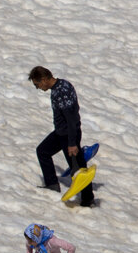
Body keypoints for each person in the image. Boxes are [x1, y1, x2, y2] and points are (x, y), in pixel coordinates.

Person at [29, 66, 96, 207]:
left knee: (79, 169)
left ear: (44, 79)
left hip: (68, 134)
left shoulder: (61, 92)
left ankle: (88, 199)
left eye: (37, 84)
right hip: (61, 132)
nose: (38, 88)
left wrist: (72, 143)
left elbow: (71, 119)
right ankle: (52, 185)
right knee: (43, 151)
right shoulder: (62, 85)